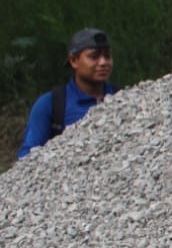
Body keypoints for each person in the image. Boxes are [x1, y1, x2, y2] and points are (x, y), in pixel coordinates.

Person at [19, 29, 118, 159]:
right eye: (94, 56)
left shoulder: (123, 98)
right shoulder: (50, 104)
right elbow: (28, 157)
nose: (103, 62)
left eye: (107, 56)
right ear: (73, 60)